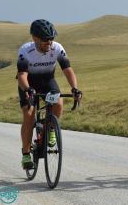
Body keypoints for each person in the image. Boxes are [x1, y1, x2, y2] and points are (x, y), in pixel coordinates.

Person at [17, 19, 82, 169]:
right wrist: (27, 89)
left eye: (52, 38)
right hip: (28, 83)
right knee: (29, 114)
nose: (49, 42)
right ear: (35, 38)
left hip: (48, 82)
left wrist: (74, 88)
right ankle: (26, 154)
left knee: (58, 104)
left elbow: (67, 70)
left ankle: (50, 129)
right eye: (46, 39)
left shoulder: (57, 48)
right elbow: (22, 75)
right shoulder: (25, 50)